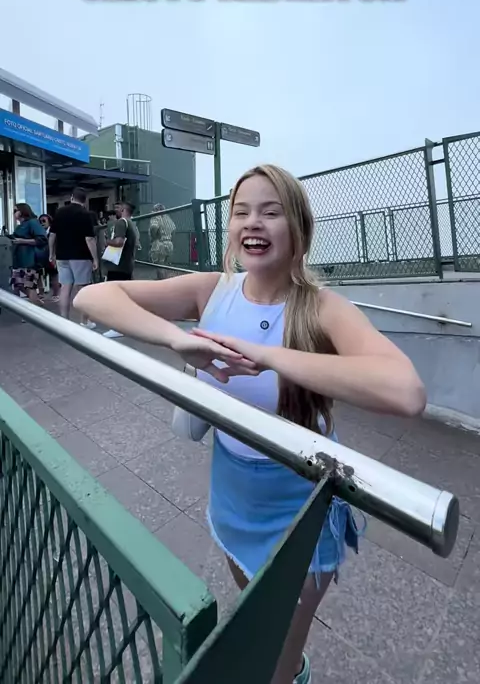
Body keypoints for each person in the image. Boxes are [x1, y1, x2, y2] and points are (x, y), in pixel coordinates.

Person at [74, 164, 426, 684]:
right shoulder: (213, 291)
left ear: (298, 228)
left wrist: (270, 356)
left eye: (270, 211)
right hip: (233, 492)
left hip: (299, 504)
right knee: (255, 615)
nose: (252, 222)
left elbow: (406, 391)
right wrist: (177, 338)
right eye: (241, 212)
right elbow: (91, 298)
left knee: (276, 653)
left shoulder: (322, 308)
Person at [49, 186, 99, 328]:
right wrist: (95, 258)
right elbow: (89, 239)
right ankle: (84, 321)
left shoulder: (59, 212)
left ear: (71, 197)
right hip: (81, 256)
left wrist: (51, 253)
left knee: (65, 288)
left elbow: (52, 235)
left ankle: (64, 320)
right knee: (82, 289)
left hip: (62, 256)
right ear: (85, 200)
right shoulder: (86, 214)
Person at [101, 201, 137, 339]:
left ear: (123, 210)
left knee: (115, 297)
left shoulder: (121, 222)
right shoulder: (132, 224)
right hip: (126, 265)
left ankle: (117, 327)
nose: (115, 210)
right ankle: (125, 325)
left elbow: (119, 242)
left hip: (117, 265)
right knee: (123, 296)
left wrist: (106, 242)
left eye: (118, 208)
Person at [9, 203, 48, 306]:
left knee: (29, 286)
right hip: (19, 261)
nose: (13, 213)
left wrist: (22, 241)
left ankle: (36, 307)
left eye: (15, 211)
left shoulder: (32, 223)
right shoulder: (21, 226)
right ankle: (36, 304)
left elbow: (42, 240)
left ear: (22, 211)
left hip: (30, 261)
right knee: (18, 285)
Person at [39, 214, 61, 301]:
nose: (42, 223)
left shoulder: (53, 232)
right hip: (41, 256)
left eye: (44, 221)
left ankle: (56, 294)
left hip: (51, 256)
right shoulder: (39, 232)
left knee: (53, 275)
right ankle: (41, 293)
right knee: (39, 275)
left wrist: (54, 255)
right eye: (40, 221)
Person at [149, 203, 175, 274]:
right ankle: (165, 279)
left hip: (159, 243)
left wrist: (154, 238)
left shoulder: (156, 216)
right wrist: (170, 240)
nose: (152, 211)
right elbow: (174, 230)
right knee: (165, 266)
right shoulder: (168, 218)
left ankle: (161, 279)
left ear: (157, 210)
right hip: (169, 244)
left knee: (159, 266)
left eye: (154, 209)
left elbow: (153, 227)